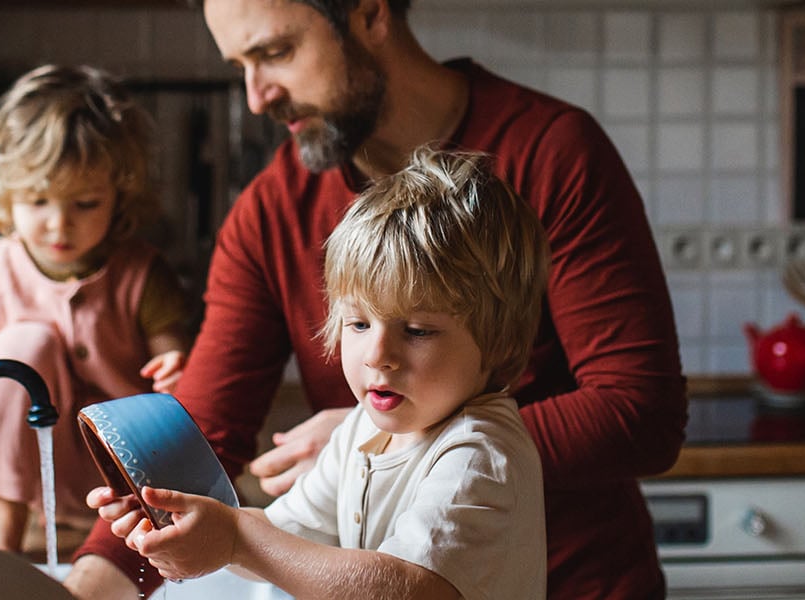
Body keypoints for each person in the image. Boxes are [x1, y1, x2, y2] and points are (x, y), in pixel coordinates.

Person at [68, 0, 689, 597]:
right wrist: (96, 583)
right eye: (242, 68)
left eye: (276, 52)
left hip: (583, 584)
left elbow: (640, 408)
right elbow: (202, 432)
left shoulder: (553, 152)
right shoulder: (271, 208)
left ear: (369, 13)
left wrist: (420, 435)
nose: (257, 96)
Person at [107, 147, 548, 599]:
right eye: (358, 323)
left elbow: (407, 590)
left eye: (416, 330)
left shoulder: (478, 455)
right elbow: (284, 538)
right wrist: (187, 523)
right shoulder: (361, 429)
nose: (377, 354)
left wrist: (238, 539)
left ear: (499, 342)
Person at [0, 64, 193, 552]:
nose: (59, 224)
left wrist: (179, 374)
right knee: (20, 347)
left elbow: (181, 376)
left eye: (86, 204)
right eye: (37, 201)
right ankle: (3, 529)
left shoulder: (141, 272)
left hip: (128, 475)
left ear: (120, 195)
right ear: (8, 196)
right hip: (26, 475)